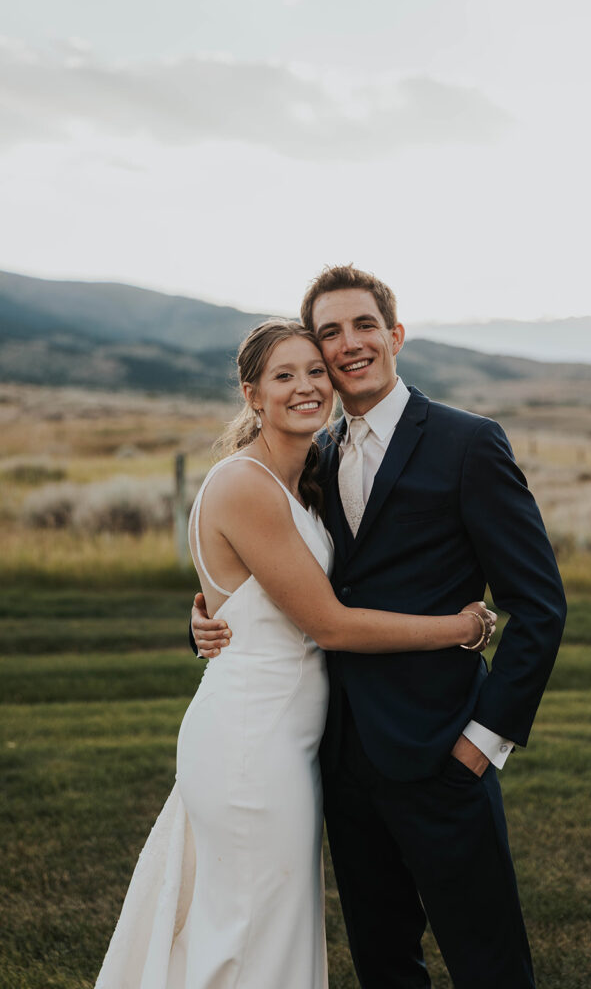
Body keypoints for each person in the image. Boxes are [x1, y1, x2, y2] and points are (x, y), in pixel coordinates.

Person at [192, 268, 567, 989]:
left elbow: (539, 605)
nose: (347, 343)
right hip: (337, 756)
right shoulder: (313, 456)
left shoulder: (467, 443)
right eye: (328, 332)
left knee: (487, 961)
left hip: (443, 750)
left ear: (394, 335)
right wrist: (205, 618)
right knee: (383, 962)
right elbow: (270, 579)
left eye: (362, 325)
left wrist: (484, 741)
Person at [95, 318, 496, 989]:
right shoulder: (246, 483)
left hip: (285, 741)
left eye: (316, 371)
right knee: (249, 936)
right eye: (285, 376)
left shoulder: (308, 473)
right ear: (252, 395)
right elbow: (330, 625)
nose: (306, 386)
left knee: (254, 927)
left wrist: (209, 615)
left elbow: (268, 599)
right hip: (252, 747)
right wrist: (458, 628)